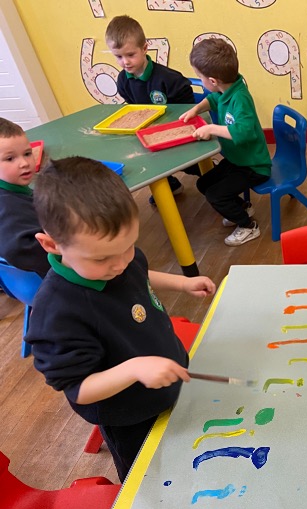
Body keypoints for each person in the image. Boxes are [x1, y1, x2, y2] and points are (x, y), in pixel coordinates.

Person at [25, 157, 216, 481]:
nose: (120, 264)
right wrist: (134, 368)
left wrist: (181, 283)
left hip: (166, 378)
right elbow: (78, 389)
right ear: (52, 245)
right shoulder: (57, 315)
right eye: (102, 258)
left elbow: (138, 273)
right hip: (131, 417)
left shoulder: (119, 257)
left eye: (129, 247)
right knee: (151, 480)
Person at [180, 38, 272, 246]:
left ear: (213, 81)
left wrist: (211, 128)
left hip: (254, 166)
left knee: (215, 195)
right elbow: (213, 99)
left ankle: (248, 226)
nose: (200, 80)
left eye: (200, 77)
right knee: (203, 183)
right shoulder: (226, 89)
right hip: (236, 160)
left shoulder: (240, 98)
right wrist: (196, 109)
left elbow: (243, 132)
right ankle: (242, 207)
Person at [105, 14, 195, 198]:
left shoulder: (169, 79)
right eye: (118, 57)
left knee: (191, 165)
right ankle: (171, 185)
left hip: (175, 131)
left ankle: (215, 177)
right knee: (144, 157)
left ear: (145, 48)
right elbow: (133, 108)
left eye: (130, 55)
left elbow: (187, 105)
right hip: (148, 133)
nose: (125, 62)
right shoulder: (123, 80)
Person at [0, 118, 50, 278]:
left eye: (27, 154)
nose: (24, 163)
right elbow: (15, 249)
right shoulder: (8, 207)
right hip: (51, 278)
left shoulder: (14, 190)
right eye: (10, 158)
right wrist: (66, 256)